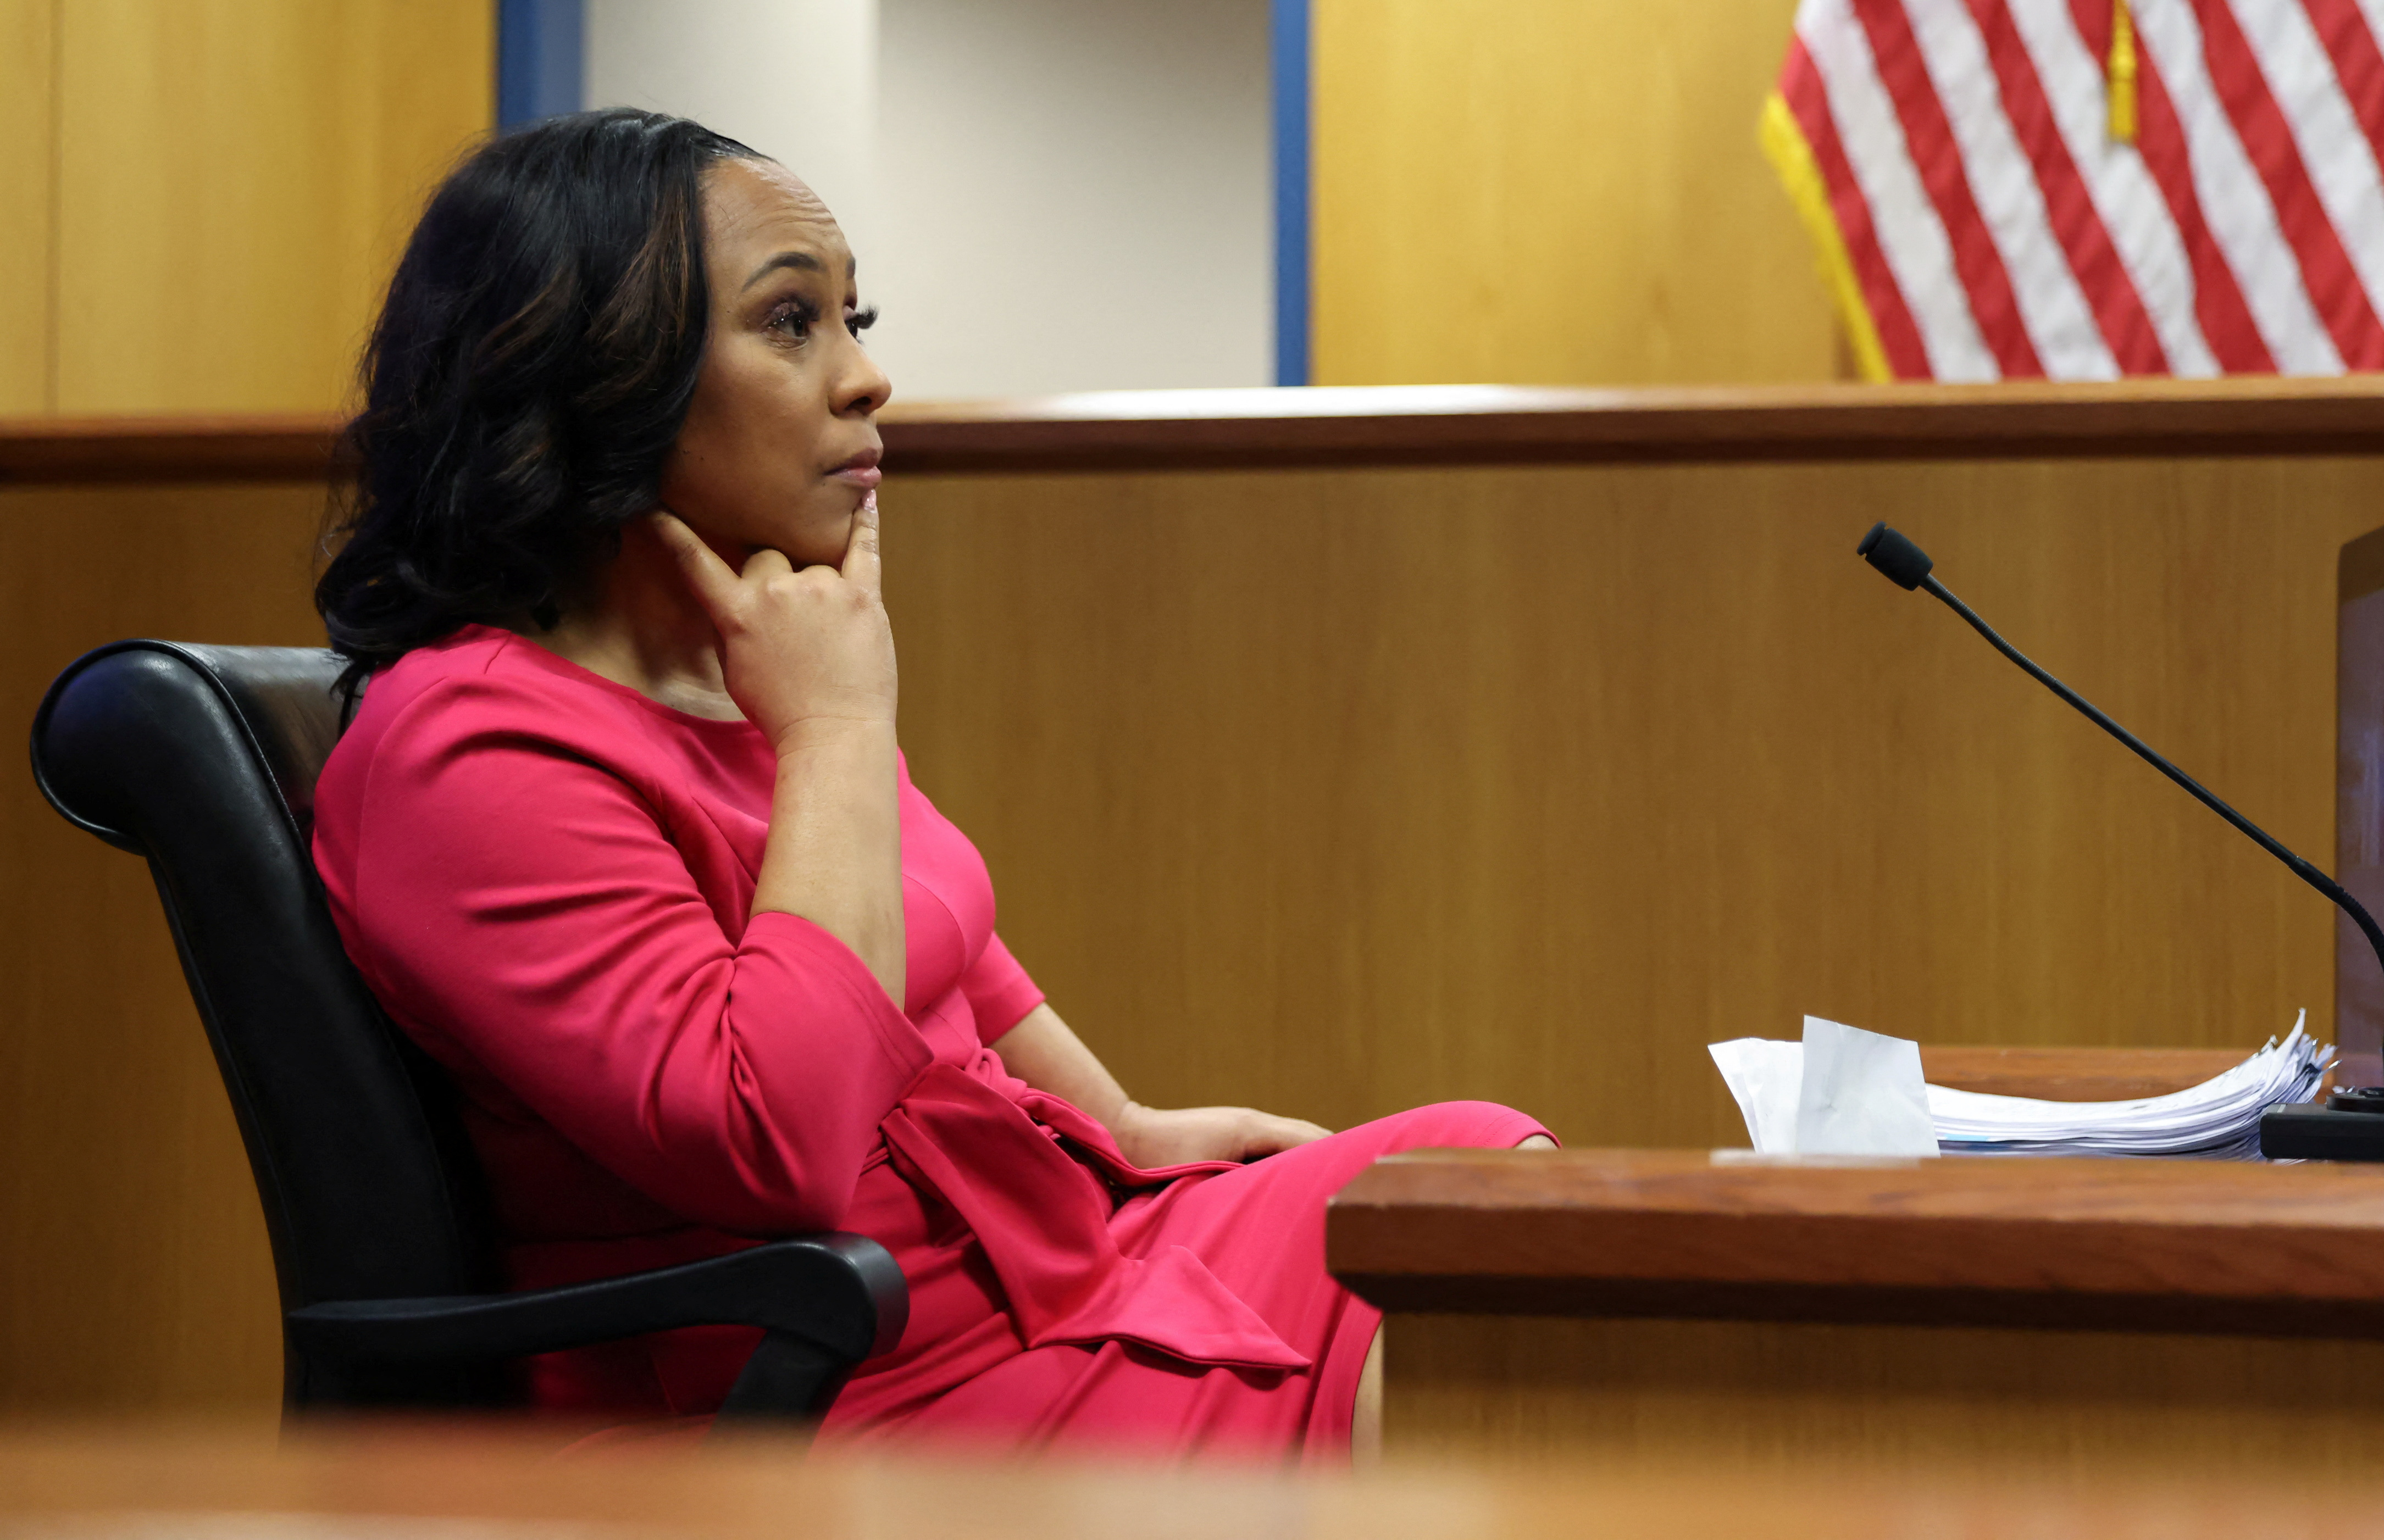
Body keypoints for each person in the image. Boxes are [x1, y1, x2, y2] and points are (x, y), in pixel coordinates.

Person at [308, 109, 1552, 1456]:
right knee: (1456, 1348)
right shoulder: (472, 751)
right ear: (596, 372)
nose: (867, 379)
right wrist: (838, 731)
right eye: (793, 323)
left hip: (1035, 1277)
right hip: (839, 1389)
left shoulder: (745, 661)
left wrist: (1123, 1120)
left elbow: (948, 942)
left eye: (855, 317)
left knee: (1468, 1183)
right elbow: (772, 1136)